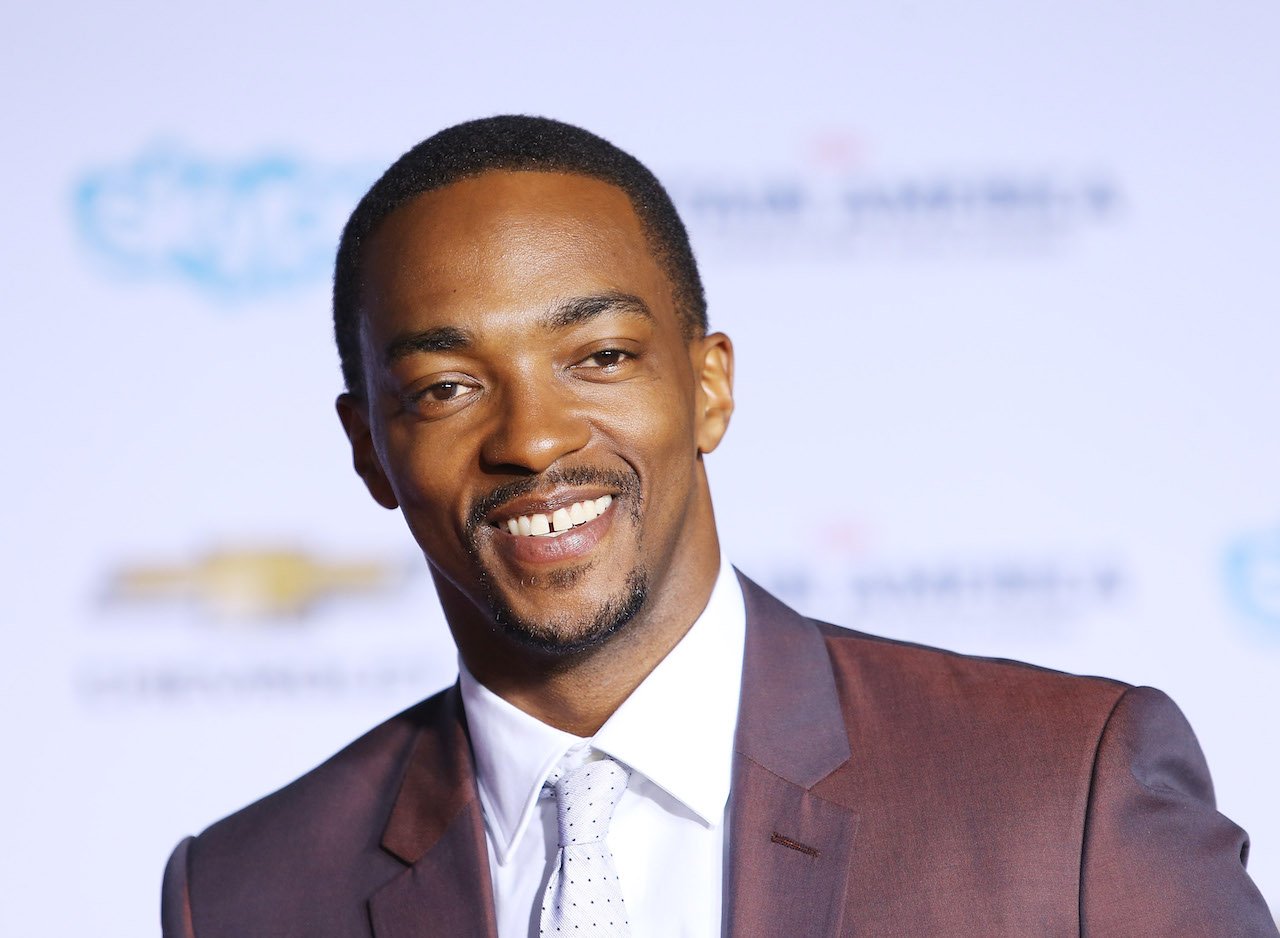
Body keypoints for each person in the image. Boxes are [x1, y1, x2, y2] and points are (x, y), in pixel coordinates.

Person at [161, 116, 1277, 937]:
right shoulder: (248, 891)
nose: (534, 439)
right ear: (368, 447)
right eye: (447, 387)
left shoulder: (1061, 792)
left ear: (707, 386)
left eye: (599, 356)